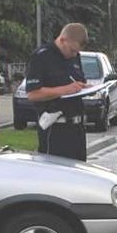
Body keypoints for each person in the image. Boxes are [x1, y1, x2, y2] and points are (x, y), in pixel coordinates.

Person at [25, 23, 90, 160]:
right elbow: (33, 94)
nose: (74, 55)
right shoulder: (41, 57)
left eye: (76, 52)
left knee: (80, 175)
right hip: (55, 128)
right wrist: (65, 90)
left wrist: (83, 88)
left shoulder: (74, 57)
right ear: (62, 40)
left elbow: (77, 80)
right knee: (57, 175)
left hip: (77, 128)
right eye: (72, 50)